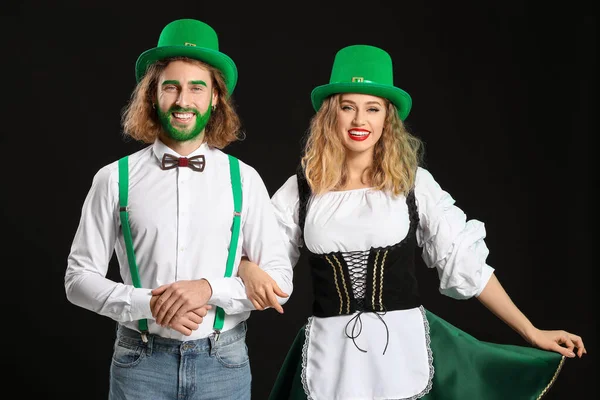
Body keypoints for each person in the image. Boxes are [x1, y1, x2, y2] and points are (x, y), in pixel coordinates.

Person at [237, 44, 586, 399]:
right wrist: (247, 266)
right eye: (348, 107)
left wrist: (530, 331)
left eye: (372, 109)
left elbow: (465, 262)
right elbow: (260, 252)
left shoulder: (412, 182)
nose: (360, 121)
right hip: (330, 359)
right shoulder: (302, 187)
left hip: (403, 351)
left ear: (387, 118)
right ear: (331, 115)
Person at [64, 18, 293, 400]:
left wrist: (207, 289)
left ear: (215, 98)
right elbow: (77, 279)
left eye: (196, 88)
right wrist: (148, 304)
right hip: (140, 363)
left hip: (223, 363)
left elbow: (279, 284)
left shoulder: (245, 179)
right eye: (171, 87)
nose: (183, 101)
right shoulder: (114, 178)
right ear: (153, 95)